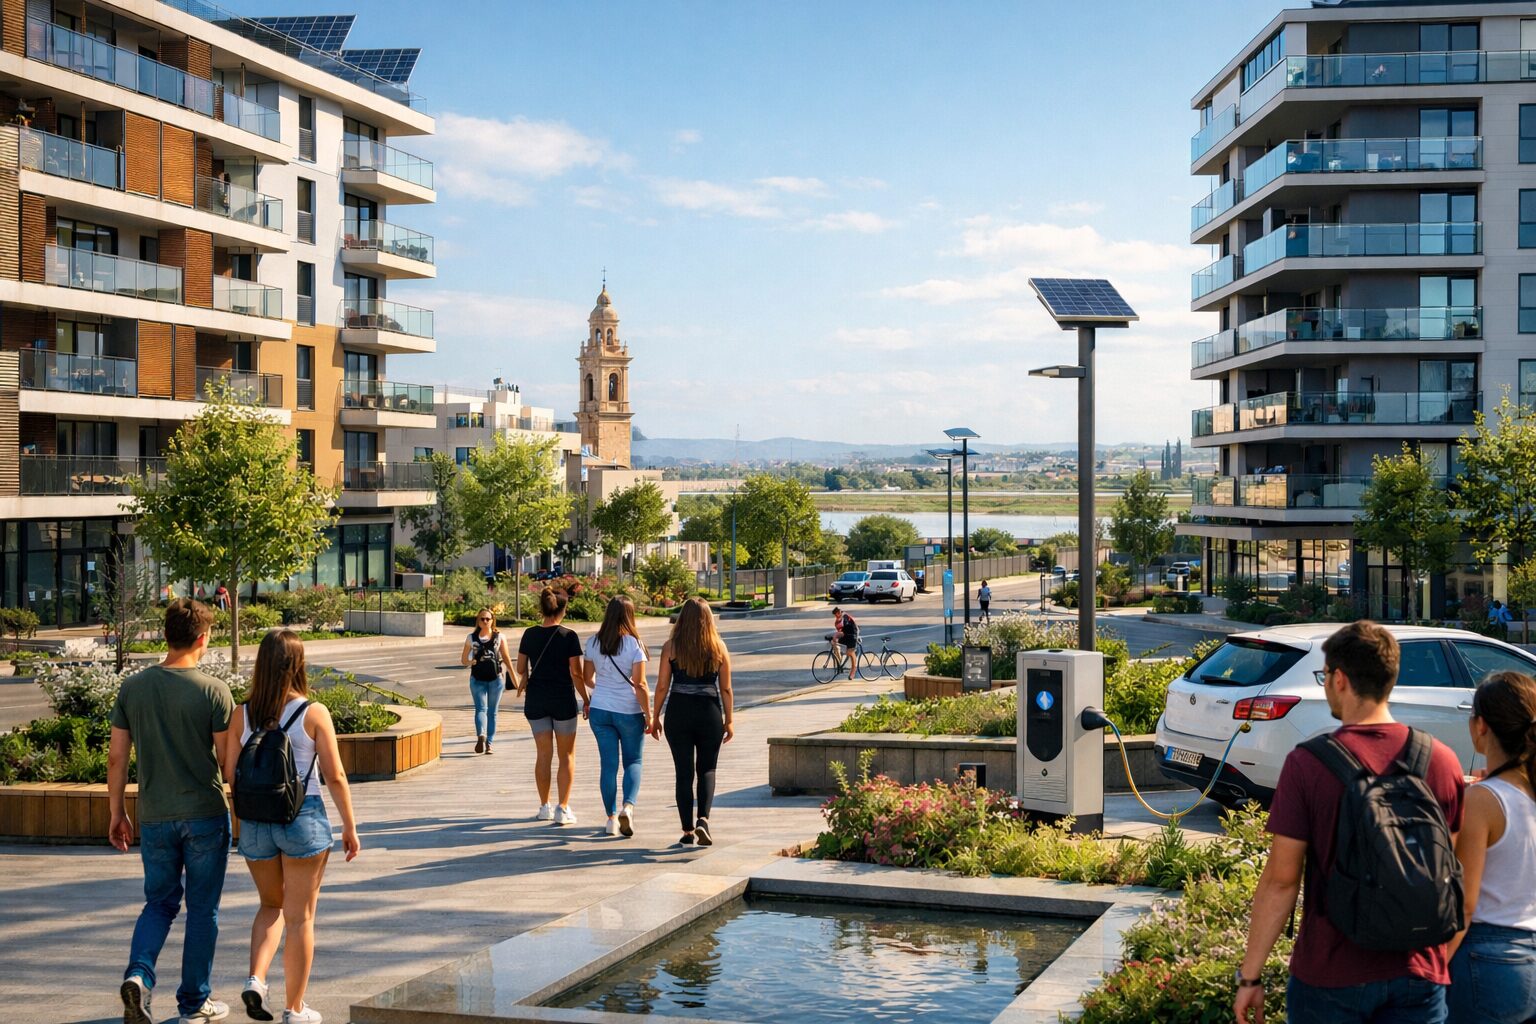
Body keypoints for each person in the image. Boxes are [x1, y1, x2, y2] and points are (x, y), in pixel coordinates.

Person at [1234, 620, 1465, 1024]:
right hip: (1418, 971)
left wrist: (1250, 976)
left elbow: (1282, 879)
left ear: (1340, 679)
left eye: (1325, 676)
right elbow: (1452, 869)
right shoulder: (1442, 760)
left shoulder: (1309, 764)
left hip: (1329, 973)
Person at [109, 599, 234, 1024]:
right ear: (203, 638)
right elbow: (226, 762)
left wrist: (117, 812)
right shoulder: (214, 691)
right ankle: (194, 1002)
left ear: (166, 636)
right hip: (204, 814)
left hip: (155, 814)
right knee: (203, 910)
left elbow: (116, 758)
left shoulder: (134, 688)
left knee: (159, 904)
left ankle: (139, 978)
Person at [224, 631, 360, 1024]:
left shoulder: (241, 713)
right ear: (298, 664)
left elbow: (232, 774)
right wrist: (350, 826)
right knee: (300, 917)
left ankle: (256, 978)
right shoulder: (313, 712)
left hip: (256, 822)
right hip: (302, 817)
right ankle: (295, 1009)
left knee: (270, 906)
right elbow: (333, 775)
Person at [1447, 671, 1536, 1024]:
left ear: (1480, 726)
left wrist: (1431, 969)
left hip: (1487, 958)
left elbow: (1464, 905)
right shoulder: (1519, 793)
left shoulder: (1483, 800)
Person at [651, 598, 735, 846]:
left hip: (678, 712)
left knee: (683, 773)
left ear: (682, 619)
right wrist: (729, 721)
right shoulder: (719, 647)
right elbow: (727, 688)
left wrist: (655, 717)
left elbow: (662, 686)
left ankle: (687, 830)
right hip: (709, 712)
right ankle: (703, 820)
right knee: (707, 769)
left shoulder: (671, 647)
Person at [516, 588, 587, 825]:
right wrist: (586, 699)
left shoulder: (529, 634)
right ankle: (562, 808)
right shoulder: (569, 636)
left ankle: (544, 806)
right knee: (566, 755)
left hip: (536, 699)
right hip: (562, 699)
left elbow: (520, 669)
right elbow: (576, 673)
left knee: (543, 754)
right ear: (563, 609)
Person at [583, 596, 651, 837]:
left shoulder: (593, 642)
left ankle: (611, 818)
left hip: (600, 709)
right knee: (633, 761)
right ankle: (628, 807)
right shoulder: (635, 645)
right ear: (629, 616)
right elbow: (640, 684)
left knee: (608, 765)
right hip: (629, 711)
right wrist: (649, 715)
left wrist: (601, 688)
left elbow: (587, 678)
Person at [460, 609, 514, 754]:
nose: (484, 621)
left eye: (487, 619)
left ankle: (485, 739)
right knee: (486, 711)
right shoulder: (470, 638)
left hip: (495, 680)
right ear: (478, 620)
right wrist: (472, 662)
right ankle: (485, 739)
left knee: (487, 711)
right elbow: (464, 660)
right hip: (479, 679)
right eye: (482, 619)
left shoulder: (500, 637)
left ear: (492, 620)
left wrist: (515, 679)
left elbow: (507, 658)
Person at [829, 607, 860, 680]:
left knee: (850, 652)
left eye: (837, 614)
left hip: (853, 633)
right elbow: (840, 630)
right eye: (835, 615)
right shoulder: (837, 620)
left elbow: (843, 626)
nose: (836, 616)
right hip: (846, 634)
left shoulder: (845, 616)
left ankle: (853, 670)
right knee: (833, 642)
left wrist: (836, 635)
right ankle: (839, 663)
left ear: (839, 612)